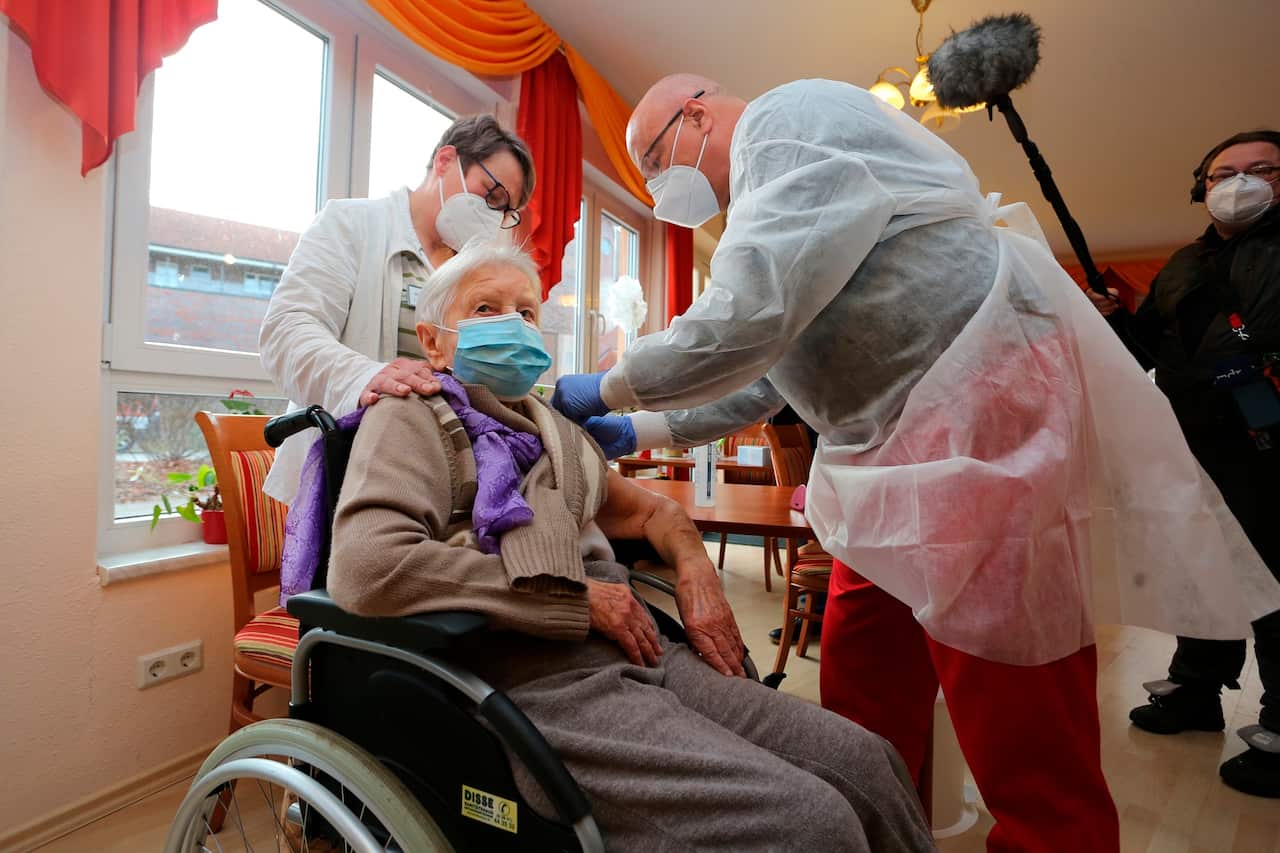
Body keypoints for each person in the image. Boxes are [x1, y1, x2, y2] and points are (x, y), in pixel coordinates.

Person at [551, 74, 1280, 851]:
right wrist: (640, 425)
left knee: (1019, 718)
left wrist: (610, 383)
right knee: (863, 695)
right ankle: (884, 831)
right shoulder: (776, 209)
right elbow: (770, 371)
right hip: (891, 471)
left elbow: (747, 315)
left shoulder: (790, 122)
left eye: (656, 163)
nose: (662, 189)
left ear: (694, 111)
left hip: (975, 435)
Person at [323, 242, 936, 852]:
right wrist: (578, 598)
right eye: (486, 309)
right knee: (810, 823)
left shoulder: (550, 429)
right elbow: (368, 564)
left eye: (528, 312)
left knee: (868, 764)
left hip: (640, 651)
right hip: (535, 676)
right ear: (433, 340)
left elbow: (656, 513)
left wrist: (698, 576)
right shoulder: (413, 417)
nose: (514, 324)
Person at [1087, 130, 1280, 798]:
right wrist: (1114, 318)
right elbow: (1153, 346)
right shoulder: (1182, 263)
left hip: (1270, 445)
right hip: (1193, 441)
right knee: (1202, 565)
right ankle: (1197, 688)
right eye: (1225, 172)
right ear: (1202, 185)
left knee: (1274, 577)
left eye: (1261, 170)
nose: (1240, 182)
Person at [259, 114, 534, 505]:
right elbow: (285, 332)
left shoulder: (474, 272)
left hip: (443, 479)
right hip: (356, 477)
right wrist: (365, 376)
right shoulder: (352, 225)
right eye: (489, 193)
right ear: (445, 161)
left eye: (503, 209)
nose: (492, 215)